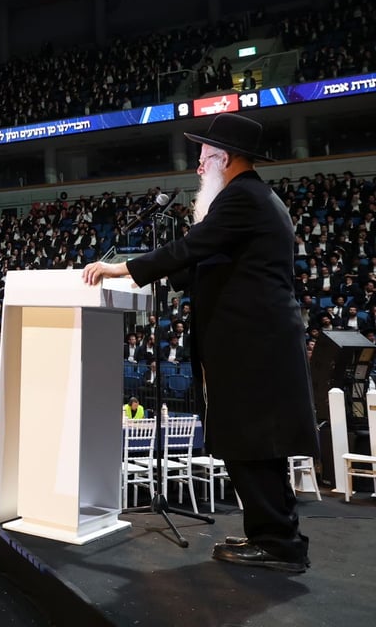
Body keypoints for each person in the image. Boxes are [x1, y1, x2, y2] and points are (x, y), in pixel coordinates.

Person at [82, 113, 315, 573]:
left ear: (224, 159)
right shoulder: (251, 199)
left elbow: (189, 250)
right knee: (252, 441)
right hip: (253, 346)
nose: (198, 168)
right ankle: (273, 535)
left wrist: (122, 268)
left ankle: (276, 542)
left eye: (204, 158)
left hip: (253, 347)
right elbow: (198, 267)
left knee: (252, 441)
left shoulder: (244, 199)